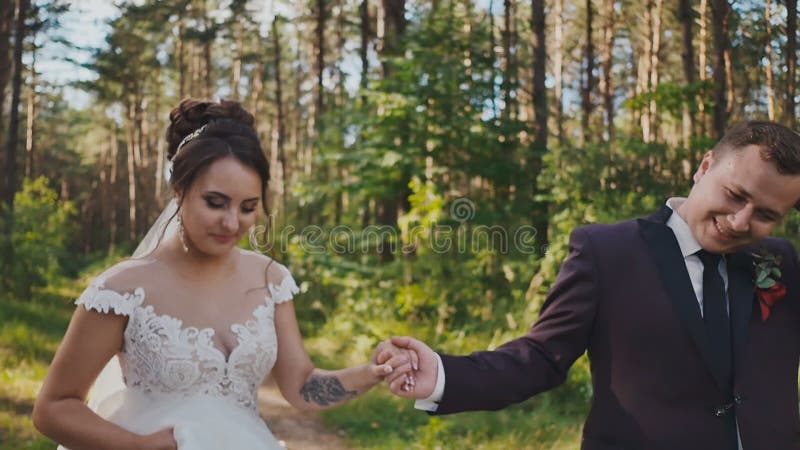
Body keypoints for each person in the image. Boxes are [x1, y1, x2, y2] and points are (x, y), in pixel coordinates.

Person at [382, 121, 800, 450]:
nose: (741, 221)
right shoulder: (607, 251)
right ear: (705, 166)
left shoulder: (779, 261)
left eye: (765, 214)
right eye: (734, 195)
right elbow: (542, 357)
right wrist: (442, 375)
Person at [32, 99, 415, 450]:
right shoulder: (122, 290)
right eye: (215, 203)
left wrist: (372, 371)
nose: (232, 223)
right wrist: (139, 447)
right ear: (179, 189)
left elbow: (301, 387)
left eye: (248, 207)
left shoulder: (269, 279)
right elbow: (53, 408)